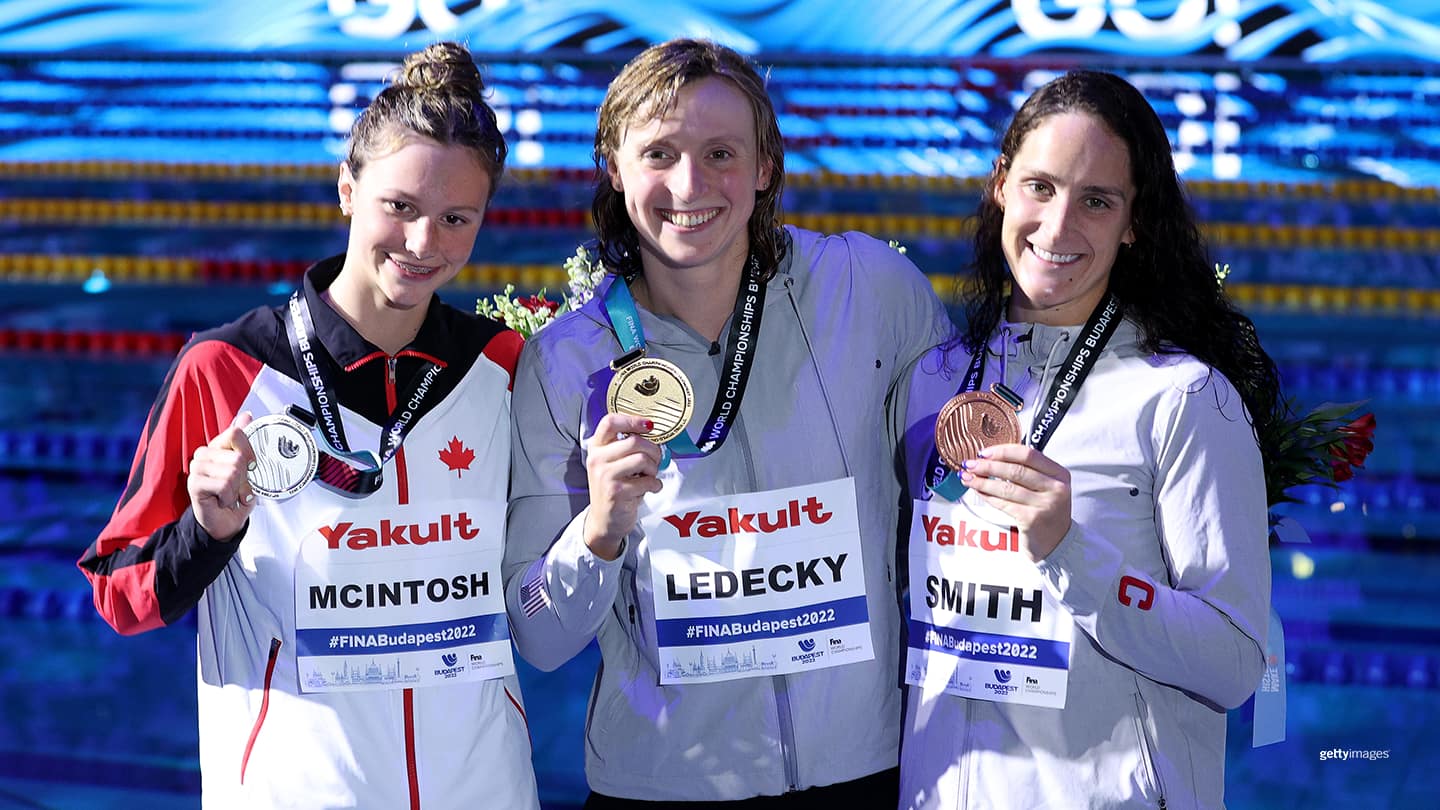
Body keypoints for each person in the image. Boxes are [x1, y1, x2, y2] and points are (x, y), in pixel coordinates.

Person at [77, 42, 540, 809]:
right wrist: (208, 531)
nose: (424, 244)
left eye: (457, 218)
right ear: (347, 189)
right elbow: (118, 592)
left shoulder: (501, 366)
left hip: (487, 790)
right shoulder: (227, 369)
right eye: (400, 207)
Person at [503, 39, 953, 806]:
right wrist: (598, 531)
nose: (690, 184)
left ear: (765, 166)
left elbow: (956, 501)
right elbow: (540, 637)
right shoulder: (563, 361)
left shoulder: (869, 292)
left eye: (720, 152)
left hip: (863, 773)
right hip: (664, 785)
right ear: (613, 167)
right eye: (659, 154)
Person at [892, 70, 1282, 810]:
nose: (1060, 225)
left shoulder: (1184, 400)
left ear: (1134, 222)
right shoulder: (935, 381)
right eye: (1040, 186)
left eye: (1097, 201)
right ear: (1000, 184)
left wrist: (1070, 548)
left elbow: (1236, 664)